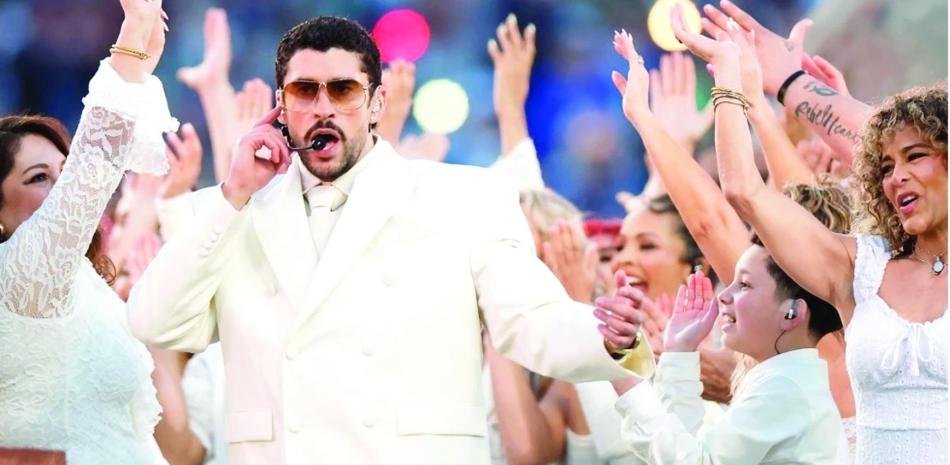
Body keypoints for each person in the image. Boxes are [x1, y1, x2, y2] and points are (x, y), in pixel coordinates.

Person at [128, 16, 651, 465]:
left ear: (377, 102)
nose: (323, 107)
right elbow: (153, 321)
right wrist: (235, 191)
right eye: (305, 91)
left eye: (343, 90)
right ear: (280, 106)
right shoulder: (229, 210)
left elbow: (531, 319)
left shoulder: (467, 197)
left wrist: (607, 336)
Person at [672, 8, 947, 464]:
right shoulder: (860, 266)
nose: (896, 177)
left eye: (916, 157)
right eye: (884, 168)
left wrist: (792, 83)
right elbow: (744, 192)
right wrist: (730, 81)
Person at [0, 0, 176, 463]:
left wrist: (138, 70)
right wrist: (134, 29)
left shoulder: (81, 285)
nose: (63, 190)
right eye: (39, 178)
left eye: (64, 173)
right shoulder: (17, 277)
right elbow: (93, 168)